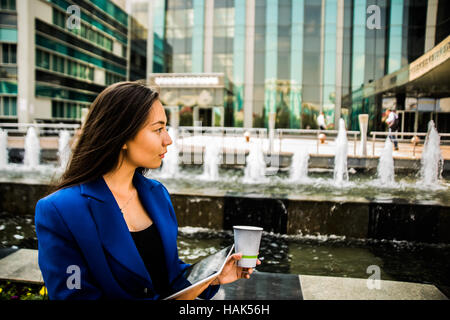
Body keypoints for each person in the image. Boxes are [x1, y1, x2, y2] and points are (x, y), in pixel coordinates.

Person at [35, 81, 259, 300]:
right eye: (158, 129)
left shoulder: (157, 194)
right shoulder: (59, 210)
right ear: (121, 136)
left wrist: (212, 276)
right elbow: (73, 295)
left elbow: (167, 275)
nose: (168, 140)